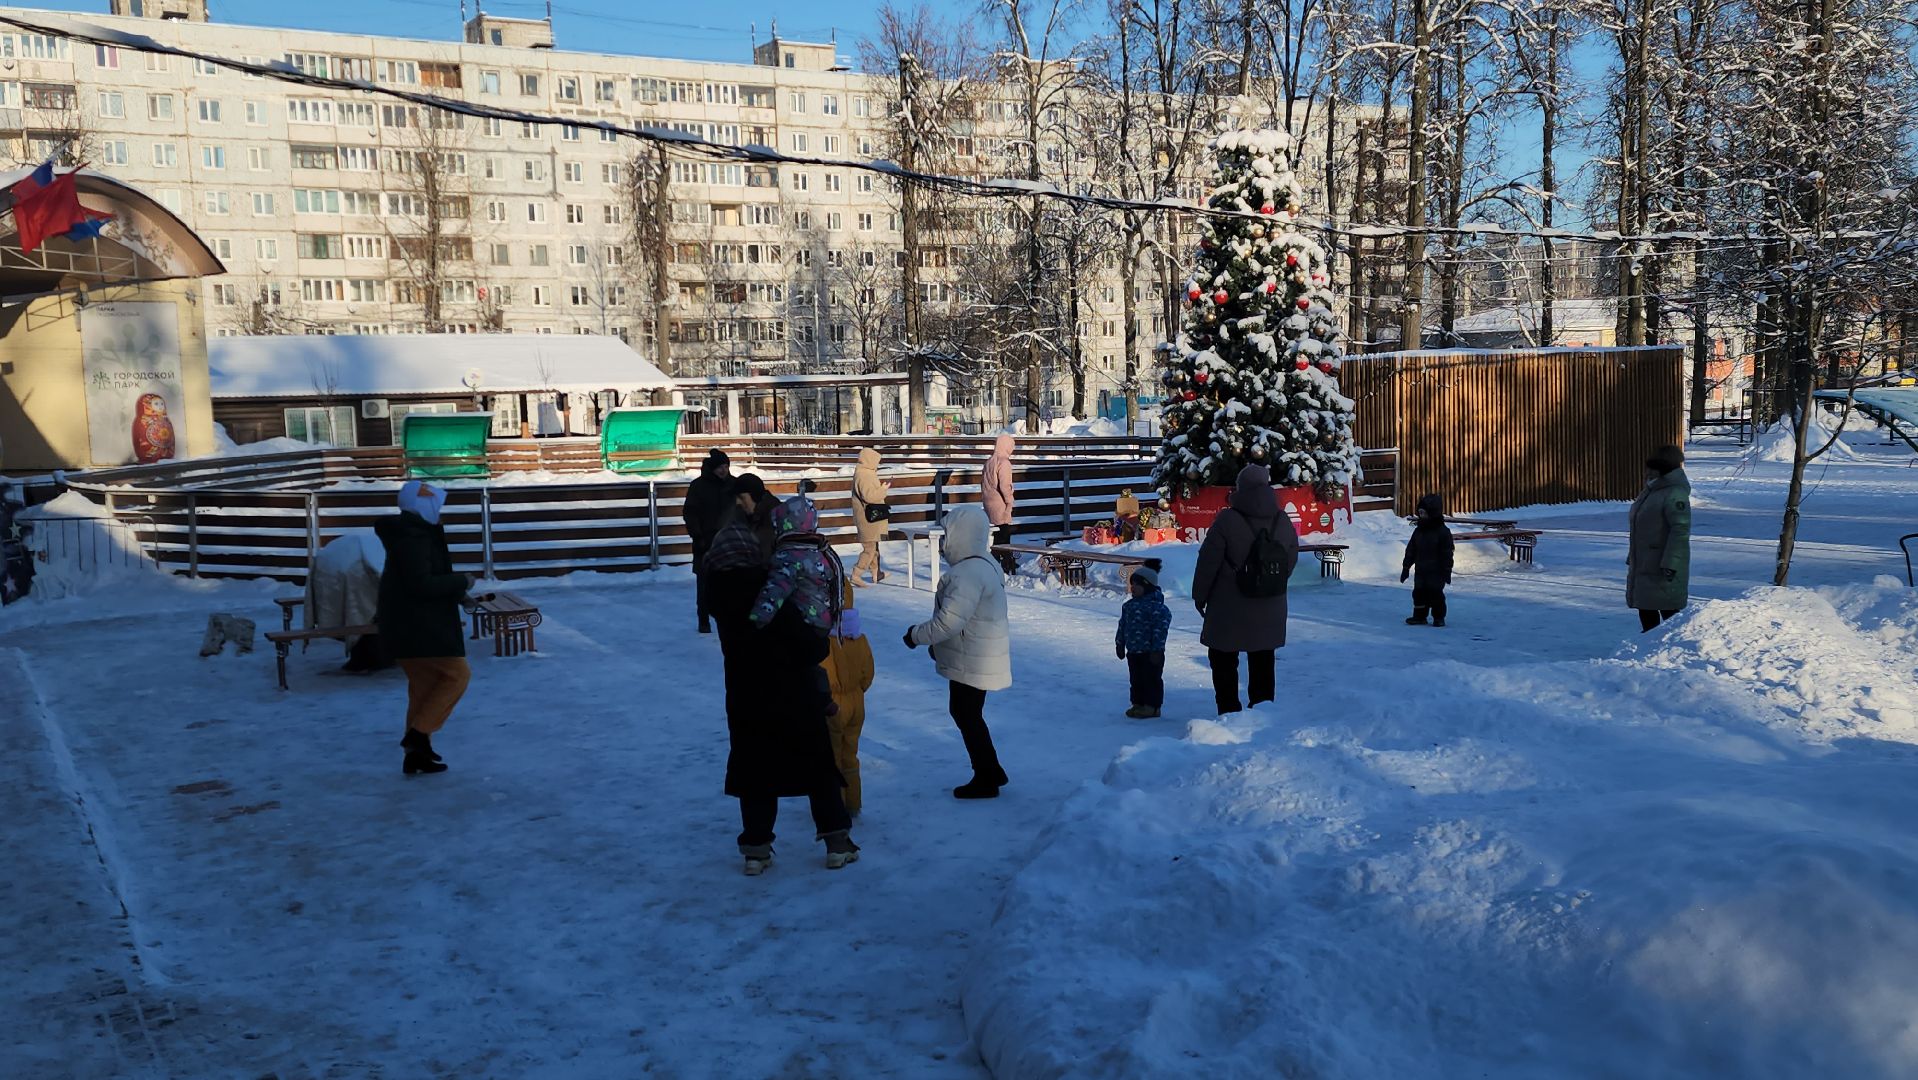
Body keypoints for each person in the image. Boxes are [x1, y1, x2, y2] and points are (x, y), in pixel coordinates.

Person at [706, 487, 859, 875]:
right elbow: (809, 648)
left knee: (754, 774)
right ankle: (837, 843)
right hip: (795, 697)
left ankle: (756, 850)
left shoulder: (720, 601)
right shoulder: (770, 592)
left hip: (746, 702)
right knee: (817, 770)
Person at [904, 504, 1013, 798]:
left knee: (966, 714)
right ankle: (991, 770)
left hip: (972, 659)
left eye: (948, 534)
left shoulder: (967, 573)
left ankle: (987, 777)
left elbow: (949, 622)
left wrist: (916, 635)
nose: (944, 541)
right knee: (968, 713)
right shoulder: (986, 564)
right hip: (978, 653)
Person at [376, 480, 474, 776]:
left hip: (408, 626)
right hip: (419, 627)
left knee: (423, 689)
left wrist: (461, 596)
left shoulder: (416, 534)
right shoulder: (414, 538)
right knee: (458, 675)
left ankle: (416, 755)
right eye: (436, 505)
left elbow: (429, 576)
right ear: (424, 506)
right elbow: (421, 585)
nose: (440, 511)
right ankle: (418, 736)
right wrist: (462, 581)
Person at [1192, 464, 1299, 715]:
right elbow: (1290, 558)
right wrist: (1270, 580)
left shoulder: (1227, 520)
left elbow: (1208, 562)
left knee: (1223, 658)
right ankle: (1262, 712)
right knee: (1263, 659)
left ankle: (1229, 711)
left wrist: (1200, 595)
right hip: (1271, 603)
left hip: (1229, 606)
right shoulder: (1282, 520)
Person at [823, 580, 874, 815]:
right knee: (850, 754)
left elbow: (825, 673)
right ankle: (853, 801)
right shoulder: (858, 636)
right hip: (857, 702)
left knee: (831, 758)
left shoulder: (826, 639)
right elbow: (868, 672)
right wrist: (858, 689)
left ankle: (836, 806)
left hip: (834, 703)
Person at [1628, 444, 1692, 632]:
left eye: (1651, 467)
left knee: (1669, 614)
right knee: (1646, 608)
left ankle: (1670, 650)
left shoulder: (1674, 493)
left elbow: (1680, 530)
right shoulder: (1652, 490)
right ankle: (1648, 647)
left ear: (1662, 468)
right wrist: (1634, 555)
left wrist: (1672, 563)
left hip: (1663, 565)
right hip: (1646, 562)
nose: (1646, 471)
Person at [682, 449, 733, 634]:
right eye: (720, 467)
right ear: (712, 468)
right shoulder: (698, 486)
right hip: (705, 542)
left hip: (729, 544)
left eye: (726, 466)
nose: (723, 470)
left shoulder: (733, 485)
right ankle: (703, 620)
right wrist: (697, 536)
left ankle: (729, 618)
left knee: (730, 584)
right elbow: (690, 513)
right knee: (704, 585)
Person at [1115, 559, 1171, 718]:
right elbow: (1122, 625)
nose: (1132, 588)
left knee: (1151, 680)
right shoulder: (1129, 606)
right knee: (1136, 680)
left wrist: (1157, 649)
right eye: (1132, 584)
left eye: (1137, 585)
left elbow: (1160, 630)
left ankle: (1152, 706)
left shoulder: (1157, 608)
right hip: (1133, 651)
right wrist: (1120, 643)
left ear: (1147, 586)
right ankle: (1137, 703)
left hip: (1150, 653)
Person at [1401, 493, 1456, 627]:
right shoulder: (1419, 531)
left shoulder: (1442, 532)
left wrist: (1447, 570)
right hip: (1421, 570)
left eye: (1424, 513)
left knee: (1435, 594)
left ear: (1433, 513)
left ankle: (1438, 617)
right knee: (1418, 593)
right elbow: (1411, 550)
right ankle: (1419, 616)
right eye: (1419, 513)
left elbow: (1447, 553)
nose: (1421, 516)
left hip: (1436, 571)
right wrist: (1406, 567)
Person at [851, 447, 892, 587]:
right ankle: (856, 574)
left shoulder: (865, 473)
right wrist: (883, 490)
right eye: (876, 461)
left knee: (874, 545)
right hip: (867, 519)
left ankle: (876, 573)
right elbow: (869, 496)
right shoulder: (864, 475)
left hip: (870, 518)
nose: (877, 464)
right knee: (869, 548)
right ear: (870, 460)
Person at [983, 434, 1018, 573]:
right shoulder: (1004, 463)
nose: (1012, 449)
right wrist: (1009, 501)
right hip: (1001, 504)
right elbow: (1005, 485)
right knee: (1004, 534)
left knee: (998, 534)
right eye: (1011, 446)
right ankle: (1003, 562)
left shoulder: (989, 461)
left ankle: (1001, 561)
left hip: (989, 503)